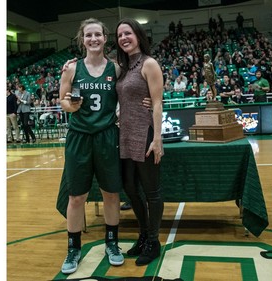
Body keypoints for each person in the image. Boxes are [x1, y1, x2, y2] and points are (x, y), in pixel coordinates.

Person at [58, 18, 125, 274]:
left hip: (107, 136)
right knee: (76, 196)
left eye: (98, 34)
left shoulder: (116, 68)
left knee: (111, 193)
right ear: (82, 39)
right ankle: (73, 248)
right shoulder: (71, 68)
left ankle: (112, 243)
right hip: (79, 136)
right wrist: (69, 105)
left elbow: (128, 93)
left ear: (105, 38)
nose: (94, 39)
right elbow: (62, 99)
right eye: (89, 35)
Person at [115, 18, 164, 266]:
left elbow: (157, 102)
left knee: (151, 191)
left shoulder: (149, 63)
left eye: (128, 33)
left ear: (138, 35)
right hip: (124, 134)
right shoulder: (123, 68)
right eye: (120, 35)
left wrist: (157, 138)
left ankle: (153, 241)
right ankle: (143, 235)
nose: (124, 37)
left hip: (145, 132)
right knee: (130, 188)